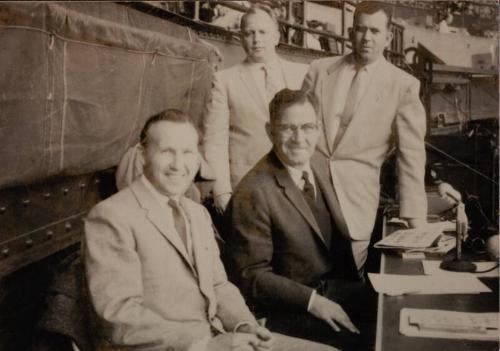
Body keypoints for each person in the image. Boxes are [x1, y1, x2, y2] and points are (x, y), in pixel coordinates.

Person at [84, 109, 336, 351]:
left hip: (220, 338)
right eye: (167, 152)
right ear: (142, 155)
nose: (178, 164)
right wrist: (206, 345)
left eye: (187, 152)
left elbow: (218, 286)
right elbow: (118, 316)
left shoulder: (196, 213)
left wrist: (245, 325)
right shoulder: (111, 216)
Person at [224, 90, 376, 350]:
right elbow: (252, 277)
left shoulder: (316, 164)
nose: (299, 138)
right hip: (288, 311)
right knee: (370, 339)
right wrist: (314, 301)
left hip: (333, 289)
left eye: (307, 127)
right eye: (287, 128)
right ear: (270, 131)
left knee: (393, 308)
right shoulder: (252, 191)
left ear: (318, 129)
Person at [302, 1, 428, 274]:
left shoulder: (403, 86)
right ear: (350, 33)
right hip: (308, 196)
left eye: (374, 31)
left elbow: (412, 156)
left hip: (357, 202)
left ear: (388, 37)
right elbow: (298, 128)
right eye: (360, 30)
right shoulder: (319, 70)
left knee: (348, 282)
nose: (367, 38)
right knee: (304, 278)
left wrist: (415, 219)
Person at [203, 5, 308, 213]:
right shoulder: (224, 81)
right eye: (249, 33)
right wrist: (222, 192)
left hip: (296, 186)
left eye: (263, 32)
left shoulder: (302, 74)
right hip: (245, 188)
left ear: (277, 36)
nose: (256, 39)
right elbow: (214, 140)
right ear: (241, 38)